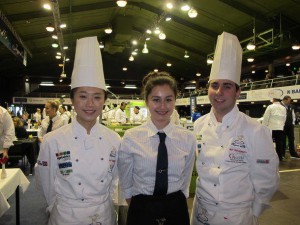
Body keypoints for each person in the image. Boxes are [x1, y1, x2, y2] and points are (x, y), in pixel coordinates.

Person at [191, 32, 279, 225]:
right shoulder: (198, 125)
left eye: (227, 86)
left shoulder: (255, 130)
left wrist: (253, 212)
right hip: (201, 212)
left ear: (238, 92)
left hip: (236, 216)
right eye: (214, 85)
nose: (219, 92)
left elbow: (267, 179)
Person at [36, 36, 121, 225]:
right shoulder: (53, 140)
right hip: (66, 216)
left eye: (97, 97)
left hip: (103, 215)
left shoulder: (114, 139)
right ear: (72, 100)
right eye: (83, 96)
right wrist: (57, 208)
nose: (90, 104)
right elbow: (45, 183)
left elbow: (115, 180)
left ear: (104, 101)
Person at [118, 71, 196, 225]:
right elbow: (126, 180)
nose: (162, 106)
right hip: (142, 207)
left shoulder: (187, 137)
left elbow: (186, 179)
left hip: (176, 207)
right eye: (156, 100)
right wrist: (138, 204)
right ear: (147, 101)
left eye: (168, 100)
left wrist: (179, 200)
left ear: (175, 101)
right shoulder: (131, 137)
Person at [262, 90, 286, 161]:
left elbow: (266, 118)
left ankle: (268, 156)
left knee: (269, 143)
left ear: (273, 99)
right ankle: (280, 157)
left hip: (271, 128)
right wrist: (282, 126)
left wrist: (264, 127)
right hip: (280, 128)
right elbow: (284, 118)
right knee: (279, 143)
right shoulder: (283, 108)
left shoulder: (270, 107)